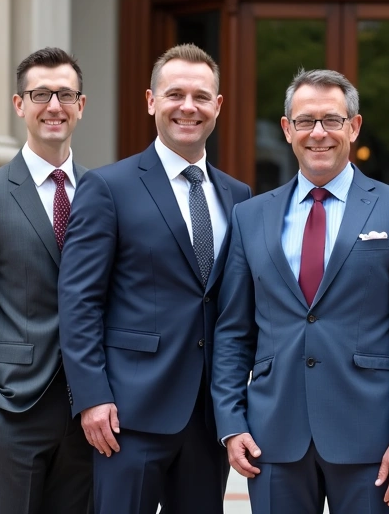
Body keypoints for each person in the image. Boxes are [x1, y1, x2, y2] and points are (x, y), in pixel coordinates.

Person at [212, 69, 389, 514]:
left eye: (332, 120)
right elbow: (233, 332)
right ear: (287, 129)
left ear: (353, 127)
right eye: (305, 121)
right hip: (273, 438)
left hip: (371, 439)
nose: (319, 133)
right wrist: (231, 422)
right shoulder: (250, 216)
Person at [58, 43, 251, 513]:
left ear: (218, 106)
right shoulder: (108, 187)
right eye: (175, 94)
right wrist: (92, 397)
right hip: (127, 415)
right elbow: (79, 300)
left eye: (201, 97)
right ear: (150, 101)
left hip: (208, 418)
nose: (188, 107)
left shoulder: (238, 195)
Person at [0, 47, 92, 513]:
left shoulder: (102, 193)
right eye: (40, 94)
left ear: (81, 105)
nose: (54, 106)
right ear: (19, 104)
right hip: (10, 410)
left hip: (87, 411)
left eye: (65, 94)